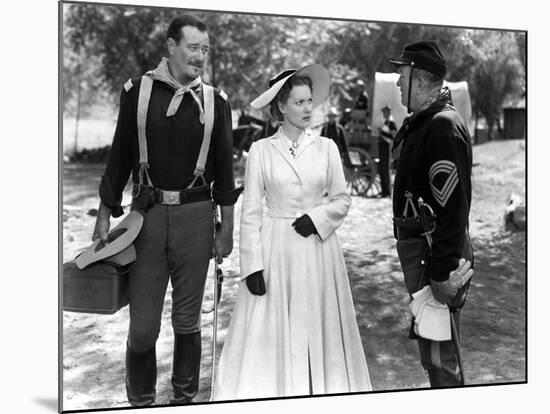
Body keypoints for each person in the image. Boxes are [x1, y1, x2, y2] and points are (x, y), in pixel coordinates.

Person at [92, 15, 240, 406]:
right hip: (147, 219)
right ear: (171, 46)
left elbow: (225, 171)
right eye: (193, 48)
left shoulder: (215, 101)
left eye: (205, 50)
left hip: (196, 218)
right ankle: (140, 400)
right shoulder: (137, 91)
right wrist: (106, 210)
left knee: (187, 320)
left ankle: (183, 398)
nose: (200, 57)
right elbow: (120, 154)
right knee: (143, 326)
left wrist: (226, 231)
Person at [213, 64, 372, 400]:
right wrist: (252, 266)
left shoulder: (327, 147)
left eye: (309, 101)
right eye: (298, 102)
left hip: (317, 249)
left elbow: (342, 200)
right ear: (281, 107)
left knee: (319, 322)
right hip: (275, 250)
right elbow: (252, 211)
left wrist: (318, 218)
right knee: (271, 327)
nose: (307, 109)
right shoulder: (261, 150)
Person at [390, 41, 474, 387]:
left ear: (421, 81)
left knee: (442, 361)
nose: (397, 83)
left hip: (433, 257)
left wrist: (441, 273)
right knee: (432, 355)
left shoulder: (441, 125)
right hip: (422, 255)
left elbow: (454, 209)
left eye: (403, 76)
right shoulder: (427, 121)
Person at [378, 105, 397, 197]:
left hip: (387, 148)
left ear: (388, 113)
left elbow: (393, 137)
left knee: (386, 169)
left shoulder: (391, 123)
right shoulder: (386, 122)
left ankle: (388, 192)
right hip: (382, 148)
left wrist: (382, 137)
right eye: (383, 112)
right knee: (382, 169)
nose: (384, 114)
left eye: (385, 112)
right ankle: (384, 191)